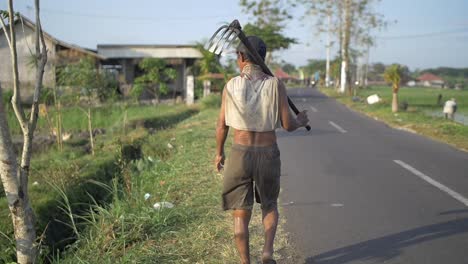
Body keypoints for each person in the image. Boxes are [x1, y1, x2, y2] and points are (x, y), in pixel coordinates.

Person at [215, 36, 309, 264]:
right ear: (263, 58)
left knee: (241, 210)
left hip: (240, 153)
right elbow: (288, 125)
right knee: (269, 204)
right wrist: (301, 119)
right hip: (268, 153)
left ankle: (245, 262)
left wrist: (219, 153)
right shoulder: (275, 84)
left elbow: (221, 125)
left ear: (241, 57)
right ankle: (267, 252)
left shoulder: (231, 86)